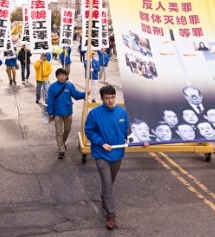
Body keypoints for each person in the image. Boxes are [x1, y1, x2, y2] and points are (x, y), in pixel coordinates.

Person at [84, 85, 146, 230]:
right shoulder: (95, 114)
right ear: (102, 99)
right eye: (107, 98)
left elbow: (128, 132)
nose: (110, 101)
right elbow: (89, 131)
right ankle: (111, 215)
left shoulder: (122, 113)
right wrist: (101, 143)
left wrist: (140, 141)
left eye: (112, 97)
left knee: (110, 181)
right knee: (107, 182)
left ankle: (104, 196)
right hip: (101, 154)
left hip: (117, 153)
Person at [46, 68, 86, 159]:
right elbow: (50, 101)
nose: (61, 77)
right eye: (59, 75)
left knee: (67, 129)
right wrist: (51, 113)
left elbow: (76, 95)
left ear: (66, 76)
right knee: (58, 132)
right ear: (56, 76)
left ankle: (62, 143)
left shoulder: (69, 85)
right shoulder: (52, 87)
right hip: (57, 113)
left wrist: (85, 94)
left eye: (63, 75)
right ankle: (61, 150)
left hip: (68, 111)